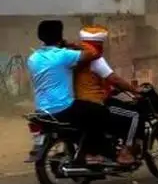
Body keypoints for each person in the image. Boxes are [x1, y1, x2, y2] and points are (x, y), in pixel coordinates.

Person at [27, 20, 111, 165]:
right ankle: (92, 154)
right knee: (100, 112)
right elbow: (94, 53)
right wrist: (73, 45)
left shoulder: (33, 58)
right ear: (60, 36)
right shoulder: (64, 55)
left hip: (42, 109)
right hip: (63, 107)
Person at [74, 26, 142, 165]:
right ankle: (126, 151)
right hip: (95, 102)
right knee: (135, 115)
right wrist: (134, 90)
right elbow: (115, 79)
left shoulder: (75, 57)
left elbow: (94, 80)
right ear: (99, 44)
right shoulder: (95, 59)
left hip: (77, 101)